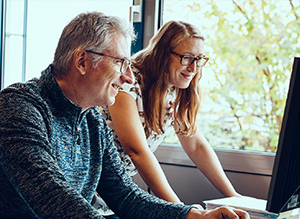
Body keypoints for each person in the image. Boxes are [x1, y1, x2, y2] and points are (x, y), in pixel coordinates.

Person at [0, 12, 250, 219]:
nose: (128, 76)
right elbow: (52, 195)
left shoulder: (91, 118)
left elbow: (126, 196)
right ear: (82, 61)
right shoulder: (17, 107)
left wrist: (195, 216)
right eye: (120, 62)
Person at [101, 21, 241, 204]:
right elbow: (136, 151)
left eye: (199, 59)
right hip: (94, 185)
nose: (193, 68)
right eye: (187, 57)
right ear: (162, 54)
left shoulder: (178, 86)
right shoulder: (127, 80)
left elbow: (196, 145)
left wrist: (234, 197)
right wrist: (180, 210)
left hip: (119, 189)